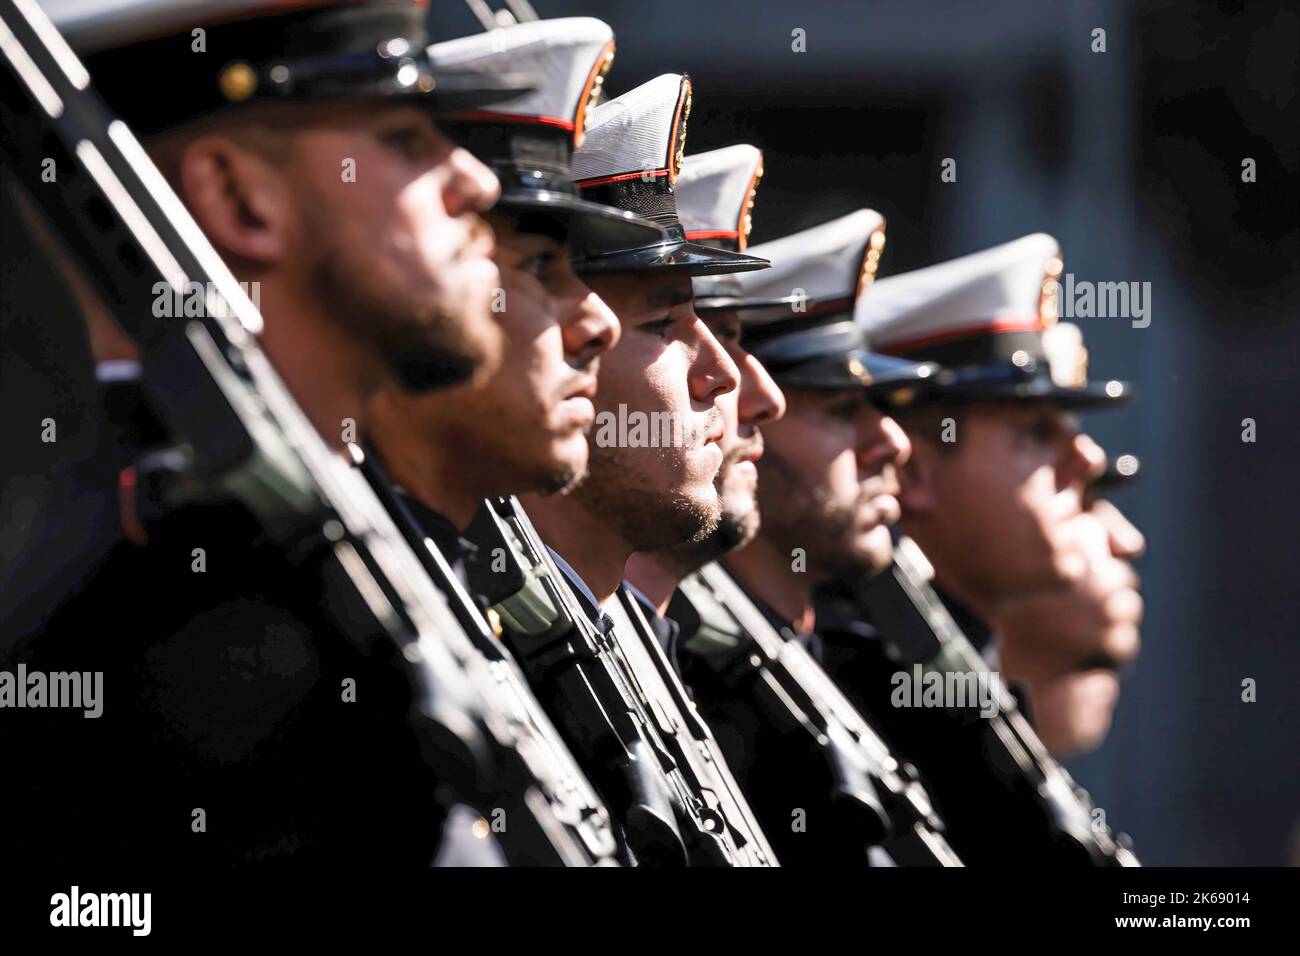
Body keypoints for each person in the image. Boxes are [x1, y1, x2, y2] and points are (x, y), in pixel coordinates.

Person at [3, 0, 532, 865]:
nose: (476, 183)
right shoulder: (202, 645)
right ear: (238, 197)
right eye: (403, 139)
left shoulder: (324, 568)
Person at [858, 233, 1144, 755]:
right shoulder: (877, 689)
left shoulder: (939, 677)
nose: (1088, 459)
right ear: (914, 471)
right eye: (1036, 432)